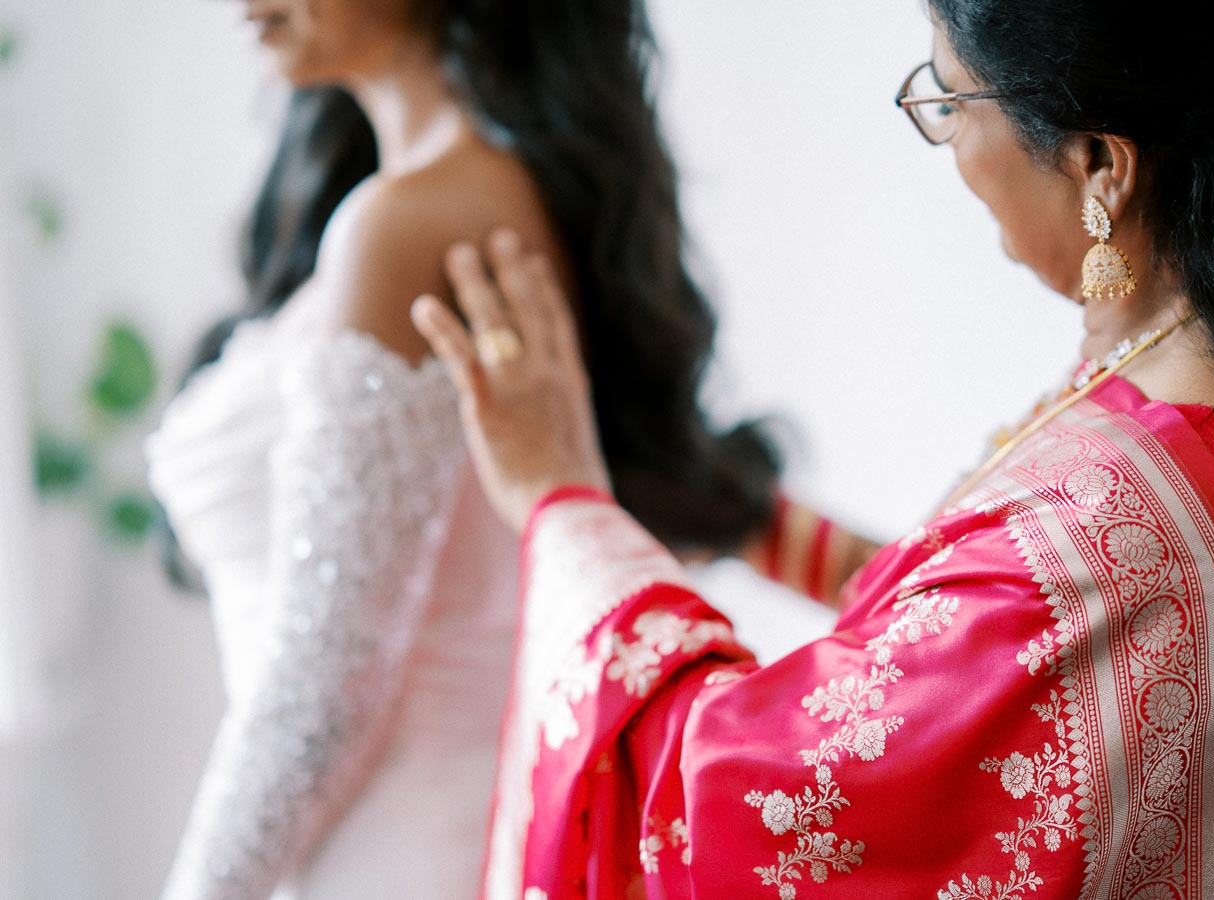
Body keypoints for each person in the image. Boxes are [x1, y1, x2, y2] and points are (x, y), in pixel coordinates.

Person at [411, 0, 1214, 895]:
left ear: (1102, 160)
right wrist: (741, 517)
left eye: (950, 100)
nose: (949, 146)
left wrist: (561, 502)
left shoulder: (1122, 522)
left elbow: (746, 813)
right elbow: (949, 653)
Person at [144, 0, 787, 896]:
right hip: (426, 821)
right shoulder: (485, 196)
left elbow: (326, 682)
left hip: (395, 844)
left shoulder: (408, 223)